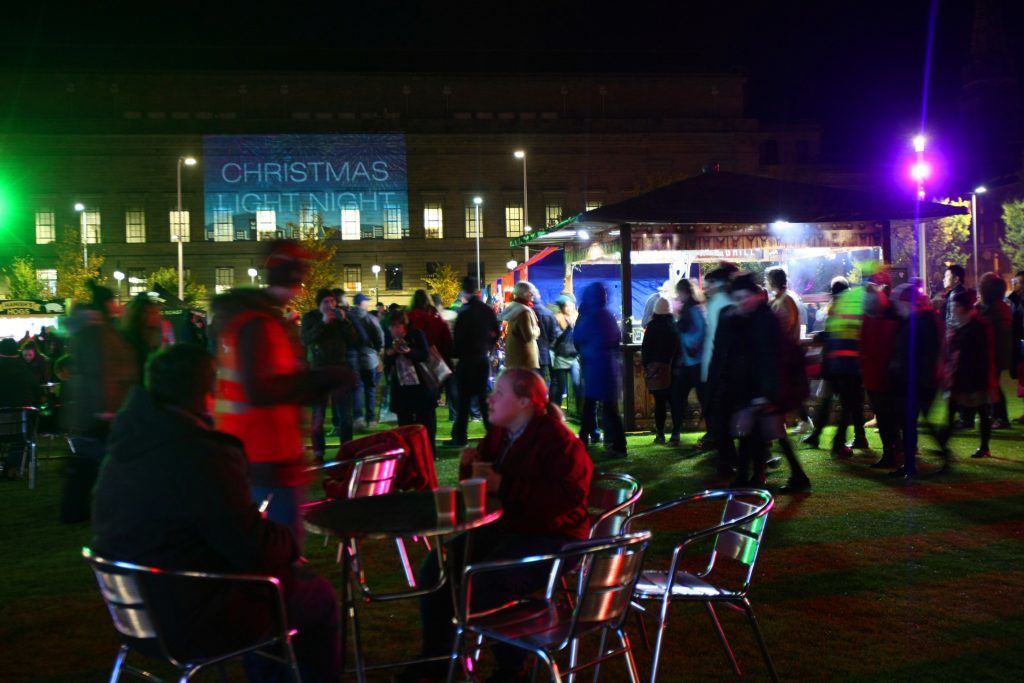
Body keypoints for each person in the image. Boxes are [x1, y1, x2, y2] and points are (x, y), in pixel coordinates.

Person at [91, 344, 340, 682]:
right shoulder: (199, 454)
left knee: (277, 586)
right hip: (193, 614)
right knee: (316, 596)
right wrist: (284, 537)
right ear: (208, 393)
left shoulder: (126, 446)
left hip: (137, 612)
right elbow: (251, 548)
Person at [399, 369, 592, 683]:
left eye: (499, 392)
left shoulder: (558, 442)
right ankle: (438, 661)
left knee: (487, 578)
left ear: (525, 401)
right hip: (508, 528)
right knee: (438, 566)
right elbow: (482, 489)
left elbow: (565, 501)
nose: (490, 398)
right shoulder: (501, 435)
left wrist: (505, 483)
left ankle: (512, 669)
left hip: (553, 538)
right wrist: (469, 467)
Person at [211, 240, 354, 543]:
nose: (304, 278)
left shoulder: (260, 321)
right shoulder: (256, 324)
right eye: (301, 268)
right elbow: (261, 389)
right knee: (278, 553)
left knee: (274, 551)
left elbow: (277, 383)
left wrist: (315, 385)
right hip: (263, 458)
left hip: (266, 456)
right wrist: (324, 379)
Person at [60, 282, 138, 523]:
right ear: (106, 304)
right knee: (94, 460)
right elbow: (100, 371)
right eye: (113, 301)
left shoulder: (94, 330)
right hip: (100, 407)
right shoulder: (97, 332)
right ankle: (80, 509)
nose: (117, 305)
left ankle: (81, 508)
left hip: (94, 406)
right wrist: (105, 407)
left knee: (90, 460)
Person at [712, 273, 783, 487]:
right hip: (744, 386)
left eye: (744, 297)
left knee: (755, 434)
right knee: (748, 433)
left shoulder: (763, 318)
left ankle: (755, 475)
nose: (741, 302)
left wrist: (764, 392)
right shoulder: (740, 317)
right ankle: (748, 475)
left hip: (758, 387)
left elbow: (768, 356)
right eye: (738, 298)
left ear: (755, 295)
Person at [802, 277, 868, 457]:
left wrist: (820, 338)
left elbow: (837, 334)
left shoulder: (839, 307)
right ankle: (840, 439)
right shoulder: (853, 305)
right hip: (845, 363)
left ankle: (835, 441)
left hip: (840, 362)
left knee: (842, 402)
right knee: (847, 403)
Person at [887, 283, 943, 477]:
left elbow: (926, 353)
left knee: (911, 423)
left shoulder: (921, 321)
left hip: (918, 381)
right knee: (911, 423)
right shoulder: (914, 320)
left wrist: (922, 379)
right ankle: (912, 463)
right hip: (911, 380)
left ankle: (914, 464)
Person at [938, 289, 998, 462]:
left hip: (975, 378)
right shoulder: (958, 325)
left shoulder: (978, 326)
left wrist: (984, 379)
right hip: (959, 376)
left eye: (956, 305)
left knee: (981, 410)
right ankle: (943, 444)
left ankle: (984, 446)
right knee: (951, 412)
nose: (953, 309)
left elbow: (984, 355)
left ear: (964, 307)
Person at [300, 288, 359, 461]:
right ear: (319, 304)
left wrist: (346, 321)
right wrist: (323, 322)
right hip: (318, 370)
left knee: (344, 414)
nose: (330, 305)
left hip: (339, 368)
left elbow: (354, 339)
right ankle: (319, 452)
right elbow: (305, 339)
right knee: (318, 414)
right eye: (326, 302)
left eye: (332, 302)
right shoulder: (310, 318)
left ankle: (346, 450)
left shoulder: (340, 319)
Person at [576, 281, 628, 459]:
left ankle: (589, 441)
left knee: (592, 407)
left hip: (595, 366)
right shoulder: (608, 315)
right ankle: (616, 444)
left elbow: (578, 337)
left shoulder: (591, 316)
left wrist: (587, 351)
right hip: (608, 366)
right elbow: (616, 338)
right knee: (608, 408)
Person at [447, 277, 500, 448]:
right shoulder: (486, 310)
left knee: (464, 400)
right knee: (483, 398)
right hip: (481, 358)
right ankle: (492, 434)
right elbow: (496, 332)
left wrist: (455, 356)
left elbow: (458, 337)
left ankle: (460, 437)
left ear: (464, 290)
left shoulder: (464, 311)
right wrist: (488, 346)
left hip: (467, 359)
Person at [384, 311, 439, 456]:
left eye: (398, 326)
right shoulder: (389, 337)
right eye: (392, 326)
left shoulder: (416, 334)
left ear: (404, 325)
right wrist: (392, 352)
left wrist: (409, 352)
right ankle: (409, 453)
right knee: (405, 422)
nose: (395, 329)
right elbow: (386, 362)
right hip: (402, 387)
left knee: (426, 421)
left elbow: (424, 355)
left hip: (421, 385)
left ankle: (429, 451)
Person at [699, 264, 740, 461]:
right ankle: (730, 459)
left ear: (717, 283)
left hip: (719, 370)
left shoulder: (719, 303)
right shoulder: (726, 301)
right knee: (723, 418)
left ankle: (728, 460)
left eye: (707, 284)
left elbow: (716, 341)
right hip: (723, 369)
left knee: (719, 419)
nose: (705, 288)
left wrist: (710, 369)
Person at [671, 278, 706, 447]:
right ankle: (676, 434)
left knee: (700, 397)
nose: (678, 295)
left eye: (679, 292)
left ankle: (711, 434)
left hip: (696, 361)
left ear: (685, 292)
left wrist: (693, 346)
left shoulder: (694, 309)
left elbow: (702, 330)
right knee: (679, 396)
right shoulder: (688, 309)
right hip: (689, 361)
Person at [1, 338, 42, 479]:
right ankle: (13, 465)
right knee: (25, 428)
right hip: (20, 426)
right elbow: (38, 393)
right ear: (17, 353)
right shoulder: (25, 370)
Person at [641, 298, 680, 444]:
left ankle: (660, 434)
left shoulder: (651, 327)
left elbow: (645, 349)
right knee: (675, 402)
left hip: (657, 372)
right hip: (673, 370)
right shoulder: (674, 327)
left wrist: (647, 367)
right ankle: (676, 434)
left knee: (660, 404)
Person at [978, 273, 1013, 429]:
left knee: (993, 386)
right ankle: (996, 415)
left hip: (994, 353)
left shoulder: (995, 308)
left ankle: (1001, 417)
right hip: (996, 353)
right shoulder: (998, 306)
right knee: (992, 385)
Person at [349, 292, 385, 428]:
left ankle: (358, 417)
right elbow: (379, 336)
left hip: (352, 358)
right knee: (370, 389)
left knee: (357, 388)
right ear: (362, 303)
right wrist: (378, 351)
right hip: (369, 357)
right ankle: (370, 419)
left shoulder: (349, 317)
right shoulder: (369, 318)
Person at [121, 292, 164, 382]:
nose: (158, 316)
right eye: (153, 313)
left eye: (157, 312)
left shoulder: (154, 334)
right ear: (140, 315)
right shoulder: (129, 341)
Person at [550, 294, 581, 415]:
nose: (568, 308)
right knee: (560, 387)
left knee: (577, 384)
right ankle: (555, 413)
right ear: (562, 307)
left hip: (573, 357)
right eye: (566, 306)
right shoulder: (557, 318)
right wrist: (567, 328)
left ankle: (580, 411)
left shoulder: (577, 317)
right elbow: (555, 337)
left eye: (570, 305)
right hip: (561, 357)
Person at [499, 281, 541, 371]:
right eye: (531, 293)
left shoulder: (514, 307)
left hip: (515, 357)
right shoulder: (524, 311)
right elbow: (528, 336)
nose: (532, 295)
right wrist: (537, 330)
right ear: (525, 294)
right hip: (524, 359)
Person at [528, 283, 559, 384]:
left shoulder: (525, 313)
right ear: (539, 296)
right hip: (544, 353)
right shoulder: (549, 313)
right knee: (541, 382)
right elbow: (554, 335)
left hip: (528, 353)